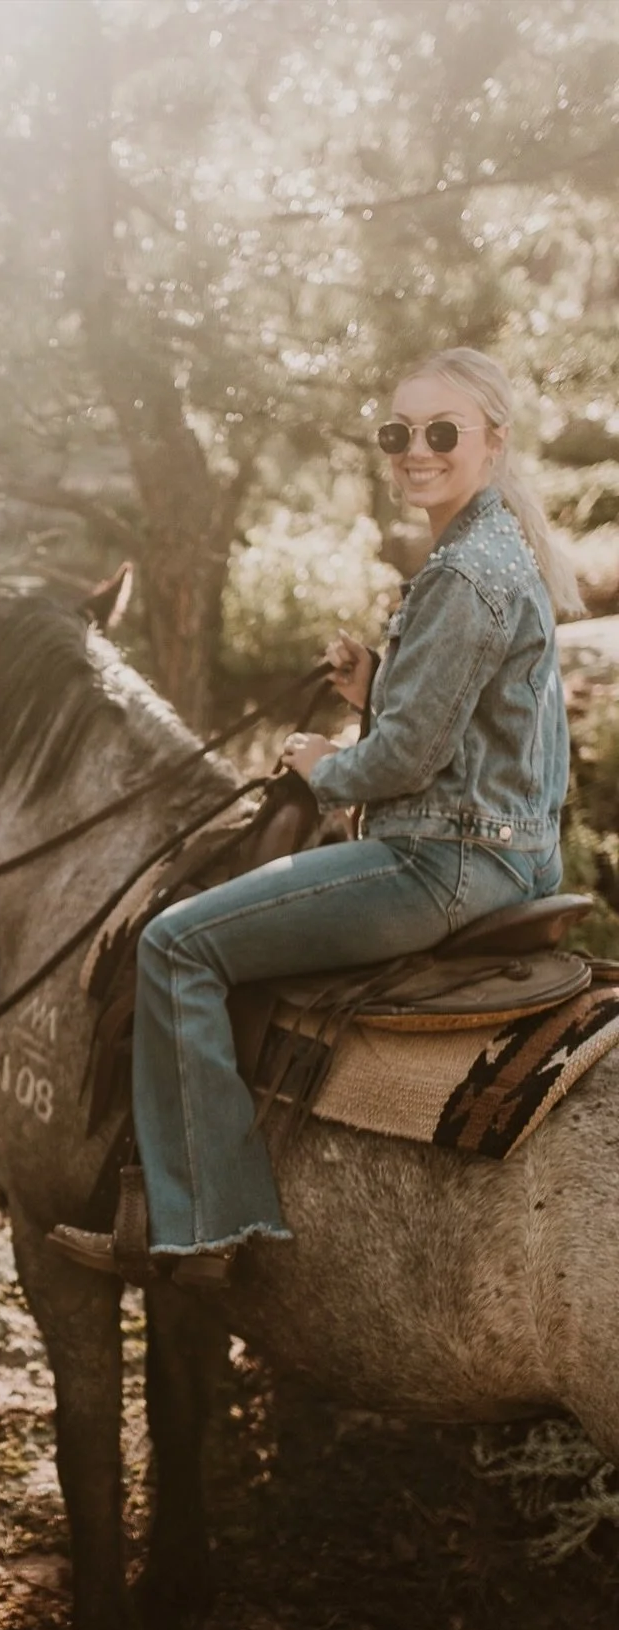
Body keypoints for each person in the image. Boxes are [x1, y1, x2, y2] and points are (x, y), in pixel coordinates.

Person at [51, 346, 584, 1288]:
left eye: (442, 431)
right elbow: (481, 728)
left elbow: (407, 762)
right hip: (510, 855)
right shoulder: (502, 548)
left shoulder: (463, 573)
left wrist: (323, 768)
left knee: (175, 946)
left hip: (438, 864)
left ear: (494, 441)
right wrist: (380, 685)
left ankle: (207, 1225)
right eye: (397, 432)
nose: (416, 449)